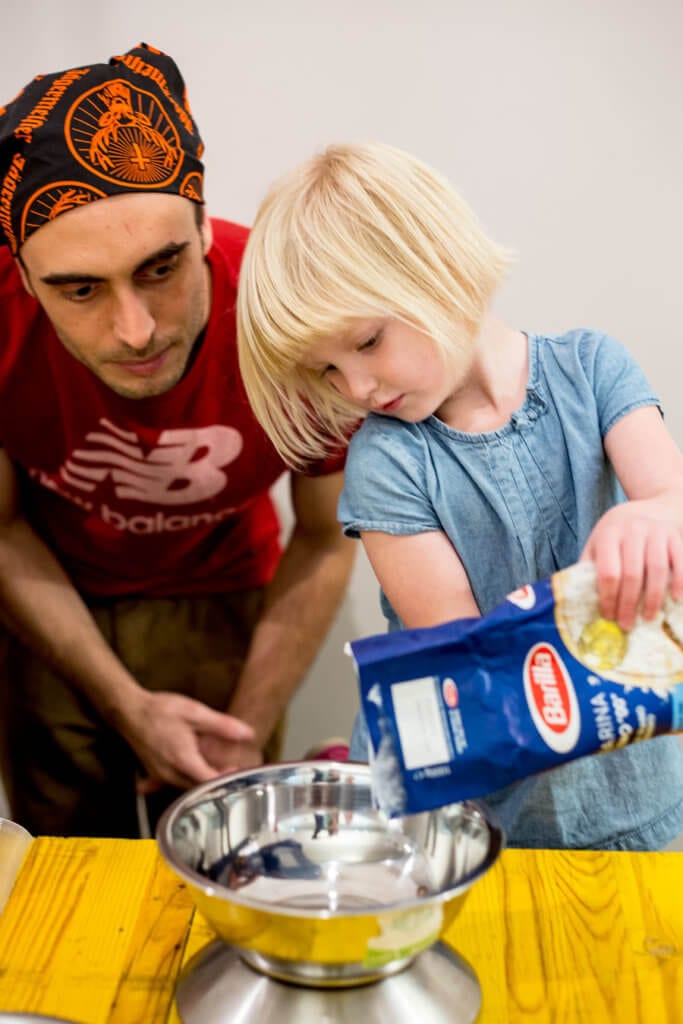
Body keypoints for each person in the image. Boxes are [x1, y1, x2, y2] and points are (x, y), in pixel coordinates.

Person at [236, 141, 683, 850]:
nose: (356, 389)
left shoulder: (594, 369)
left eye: (368, 341)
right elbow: (475, 662)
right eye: (324, 370)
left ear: (435, 267)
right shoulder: (385, 456)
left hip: (637, 791)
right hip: (476, 817)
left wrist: (653, 517)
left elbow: (670, 499)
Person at [0, 44, 356, 838]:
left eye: (160, 268)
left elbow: (328, 538)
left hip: (228, 600)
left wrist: (245, 732)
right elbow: (2, 528)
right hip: (47, 599)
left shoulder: (292, 313)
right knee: (61, 883)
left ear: (202, 225)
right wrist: (126, 707)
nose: (135, 331)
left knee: (227, 860)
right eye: (79, 289)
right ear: (22, 276)